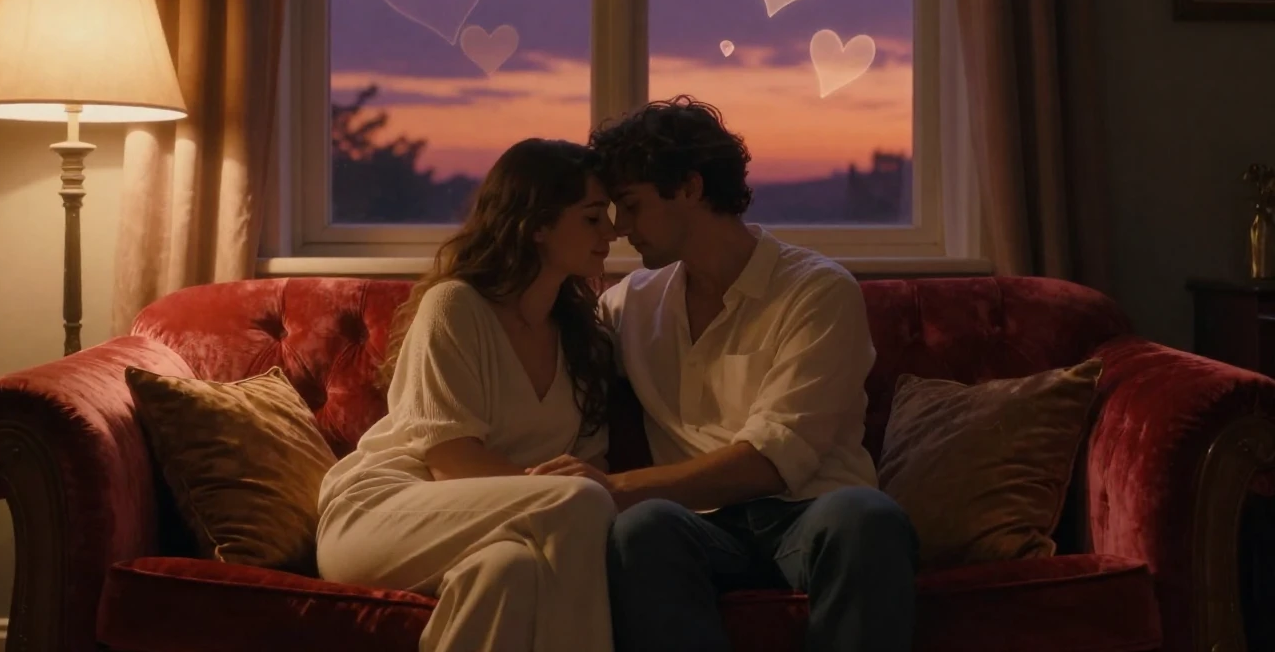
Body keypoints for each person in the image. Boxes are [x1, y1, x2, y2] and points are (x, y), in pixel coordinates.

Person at [585, 96, 919, 652]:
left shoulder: (816, 290)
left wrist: (616, 488)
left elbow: (773, 460)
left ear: (690, 188)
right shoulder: (631, 303)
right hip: (700, 525)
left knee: (867, 517)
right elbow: (552, 353)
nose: (620, 229)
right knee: (642, 529)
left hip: (809, 511)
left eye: (632, 205)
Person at [315, 138, 621, 652]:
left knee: (510, 571)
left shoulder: (583, 339)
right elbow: (452, 463)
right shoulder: (455, 307)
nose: (611, 231)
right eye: (593, 217)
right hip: (385, 513)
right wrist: (557, 492)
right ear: (538, 224)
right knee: (583, 501)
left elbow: (586, 464)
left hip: (500, 529)